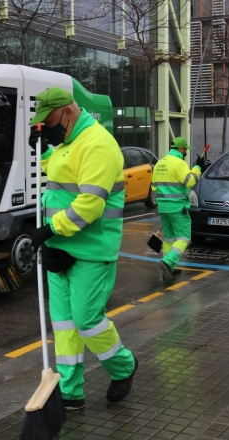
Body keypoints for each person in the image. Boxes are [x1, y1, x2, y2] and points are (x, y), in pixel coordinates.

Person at [27, 87, 137, 411]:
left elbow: (89, 205)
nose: (48, 129)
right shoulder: (66, 143)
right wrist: (44, 152)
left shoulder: (98, 145)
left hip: (90, 251)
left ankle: (124, 367)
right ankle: (70, 391)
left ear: (68, 112)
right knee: (63, 325)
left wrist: (48, 230)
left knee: (87, 321)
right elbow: (62, 175)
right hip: (59, 247)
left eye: (49, 123)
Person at [151, 137, 203, 280]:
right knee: (183, 238)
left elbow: (154, 187)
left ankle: (170, 268)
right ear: (180, 149)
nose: (186, 152)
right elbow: (190, 181)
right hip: (178, 207)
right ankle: (168, 262)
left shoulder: (159, 164)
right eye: (185, 149)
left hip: (163, 207)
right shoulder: (179, 163)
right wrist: (197, 168)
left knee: (169, 239)